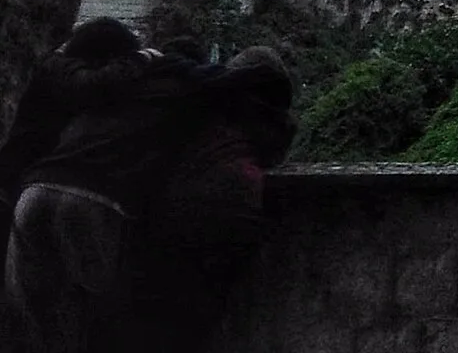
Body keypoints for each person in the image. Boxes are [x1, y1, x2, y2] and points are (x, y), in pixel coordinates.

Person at [1, 19, 211, 353]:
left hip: (32, 189)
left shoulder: (79, 88)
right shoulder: (67, 74)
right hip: (90, 197)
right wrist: (141, 59)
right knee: (87, 314)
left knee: (27, 314)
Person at [129, 46, 296, 353]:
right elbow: (272, 156)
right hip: (237, 209)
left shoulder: (208, 101)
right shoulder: (278, 123)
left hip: (180, 205)